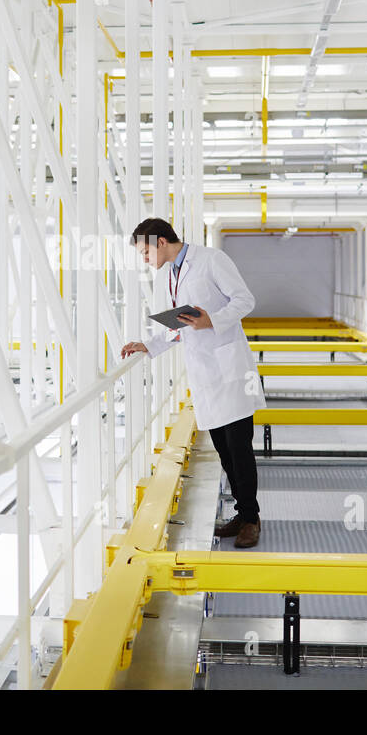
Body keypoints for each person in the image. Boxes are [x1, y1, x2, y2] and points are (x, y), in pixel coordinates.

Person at [120, 218, 266, 548]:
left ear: (160, 241)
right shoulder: (170, 275)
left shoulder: (211, 260)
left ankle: (252, 520)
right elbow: (182, 326)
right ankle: (242, 514)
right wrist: (149, 345)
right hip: (205, 375)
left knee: (240, 450)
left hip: (230, 371)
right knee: (224, 452)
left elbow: (244, 300)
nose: (144, 258)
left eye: (145, 251)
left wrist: (211, 320)